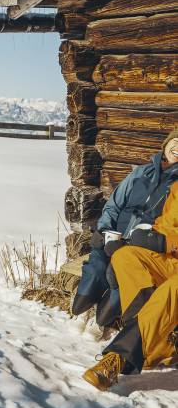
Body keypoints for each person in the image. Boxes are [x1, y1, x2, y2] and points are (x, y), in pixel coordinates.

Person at [82, 131, 178, 390]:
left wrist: (165, 242)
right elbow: (164, 223)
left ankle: (118, 357)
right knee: (126, 257)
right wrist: (145, 237)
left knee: (174, 289)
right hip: (169, 259)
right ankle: (152, 343)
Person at [72, 128, 178, 327]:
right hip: (113, 236)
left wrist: (137, 243)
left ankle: (105, 320)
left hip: (138, 247)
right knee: (93, 274)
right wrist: (103, 230)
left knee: (114, 286)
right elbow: (114, 205)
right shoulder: (140, 172)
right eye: (176, 141)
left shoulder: (177, 188)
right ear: (166, 144)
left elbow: (167, 227)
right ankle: (79, 313)